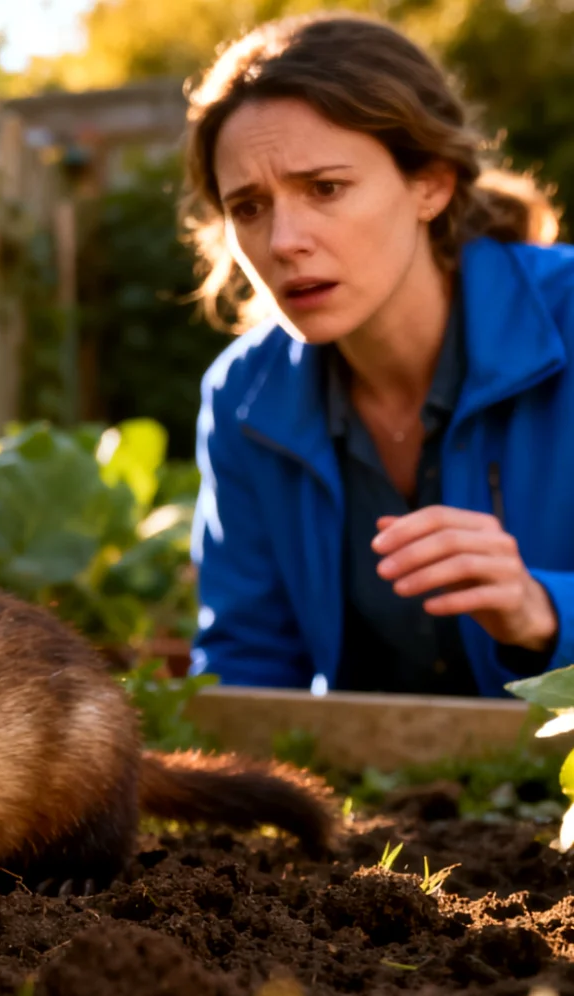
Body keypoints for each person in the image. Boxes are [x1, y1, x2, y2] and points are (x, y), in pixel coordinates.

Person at [183, 12, 574, 697]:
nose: (283, 241)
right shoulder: (242, 396)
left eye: (324, 189)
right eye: (248, 207)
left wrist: (545, 610)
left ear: (431, 183)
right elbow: (247, 665)